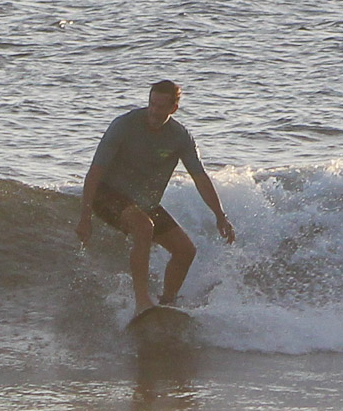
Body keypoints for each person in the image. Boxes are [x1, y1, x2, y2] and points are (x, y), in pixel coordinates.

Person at [77, 80, 235, 314]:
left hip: (143, 202)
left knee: (185, 251)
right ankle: (142, 303)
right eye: (151, 104)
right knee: (144, 227)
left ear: (173, 108)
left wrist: (220, 216)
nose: (154, 111)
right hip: (107, 194)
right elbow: (95, 172)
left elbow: (200, 177)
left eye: (161, 107)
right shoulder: (124, 125)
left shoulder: (180, 136)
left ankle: (167, 304)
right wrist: (85, 216)